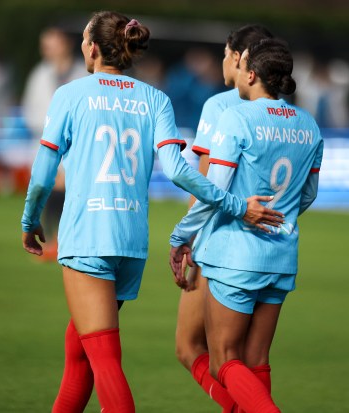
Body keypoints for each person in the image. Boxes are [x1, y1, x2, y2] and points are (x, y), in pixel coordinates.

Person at [20, 11, 283, 413]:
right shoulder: (155, 99)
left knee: (104, 360)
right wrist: (231, 203)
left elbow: (42, 176)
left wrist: (29, 220)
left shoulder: (70, 94)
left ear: (91, 47)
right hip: (129, 242)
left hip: (87, 235)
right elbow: (177, 169)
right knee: (80, 355)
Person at [170, 38, 324, 413]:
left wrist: (181, 236)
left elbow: (214, 191)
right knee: (256, 361)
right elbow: (307, 197)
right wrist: (279, 218)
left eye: (241, 66)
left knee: (224, 359)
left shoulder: (236, 118)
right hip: (282, 256)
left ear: (252, 73)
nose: (236, 71)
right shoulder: (309, 125)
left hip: (235, 256)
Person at [174, 24, 274, 413]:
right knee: (252, 359)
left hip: (218, 243)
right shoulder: (285, 113)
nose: (221, 62)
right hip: (270, 249)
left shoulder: (220, 106)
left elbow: (205, 184)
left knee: (193, 349)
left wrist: (189, 241)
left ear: (238, 58)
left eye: (224, 53)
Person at [22, 24, 88, 260]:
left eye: (52, 43)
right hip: (47, 141)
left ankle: (62, 239)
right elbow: (31, 111)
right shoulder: (39, 75)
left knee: (68, 190)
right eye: (45, 45)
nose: (48, 49)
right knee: (51, 188)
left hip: (78, 145)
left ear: (66, 44)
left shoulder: (83, 73)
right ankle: (53, 238)